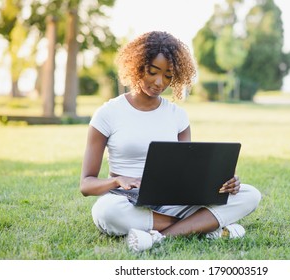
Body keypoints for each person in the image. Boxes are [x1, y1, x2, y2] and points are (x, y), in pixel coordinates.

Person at [80, 31, 262, 252]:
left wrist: (223, 182)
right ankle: (202, 227)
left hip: (171, 202)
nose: (159, 82)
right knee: (106, 213)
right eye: (153, 72)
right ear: (137, 66)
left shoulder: (178, 116)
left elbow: (187, 172)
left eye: (168, 76)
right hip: (127, 201)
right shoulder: (107, 114)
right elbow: (86, 184)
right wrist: (117, 181)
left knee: (250, 195)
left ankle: (159, 237)